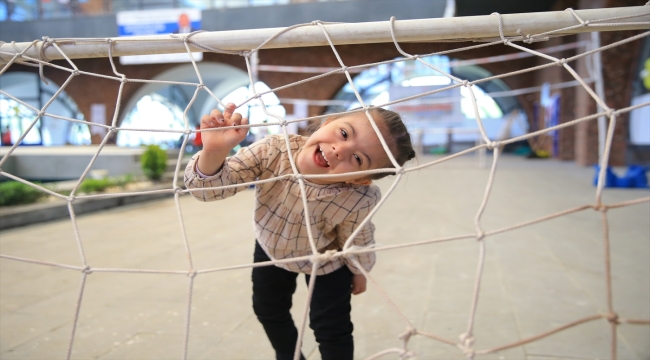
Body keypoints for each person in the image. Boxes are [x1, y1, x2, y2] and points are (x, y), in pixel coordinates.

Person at [184, 103, 415, 360]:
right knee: (268, 310)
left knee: (331, 327)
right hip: (272, 246)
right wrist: (214, 151)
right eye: (344, 134)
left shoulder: (358, 197)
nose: (340, 150)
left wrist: (359, 269)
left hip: (326, 258)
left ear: (360, 179)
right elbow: (209, 191)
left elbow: (358, 235)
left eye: (358, 159)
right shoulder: (273, 150)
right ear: (327, 122)